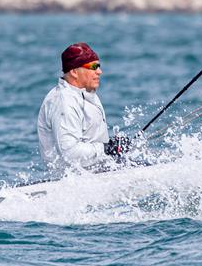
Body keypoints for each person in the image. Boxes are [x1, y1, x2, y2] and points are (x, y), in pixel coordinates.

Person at [37, 42, 132, 175]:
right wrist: (105, 149)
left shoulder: (86, 94)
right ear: (74, 71)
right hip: (72, 182)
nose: (99, 71)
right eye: (93, 66)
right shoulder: (64, 101)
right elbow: (69, 152)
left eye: (99, 66)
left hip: (97, 172)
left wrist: (114, 147)